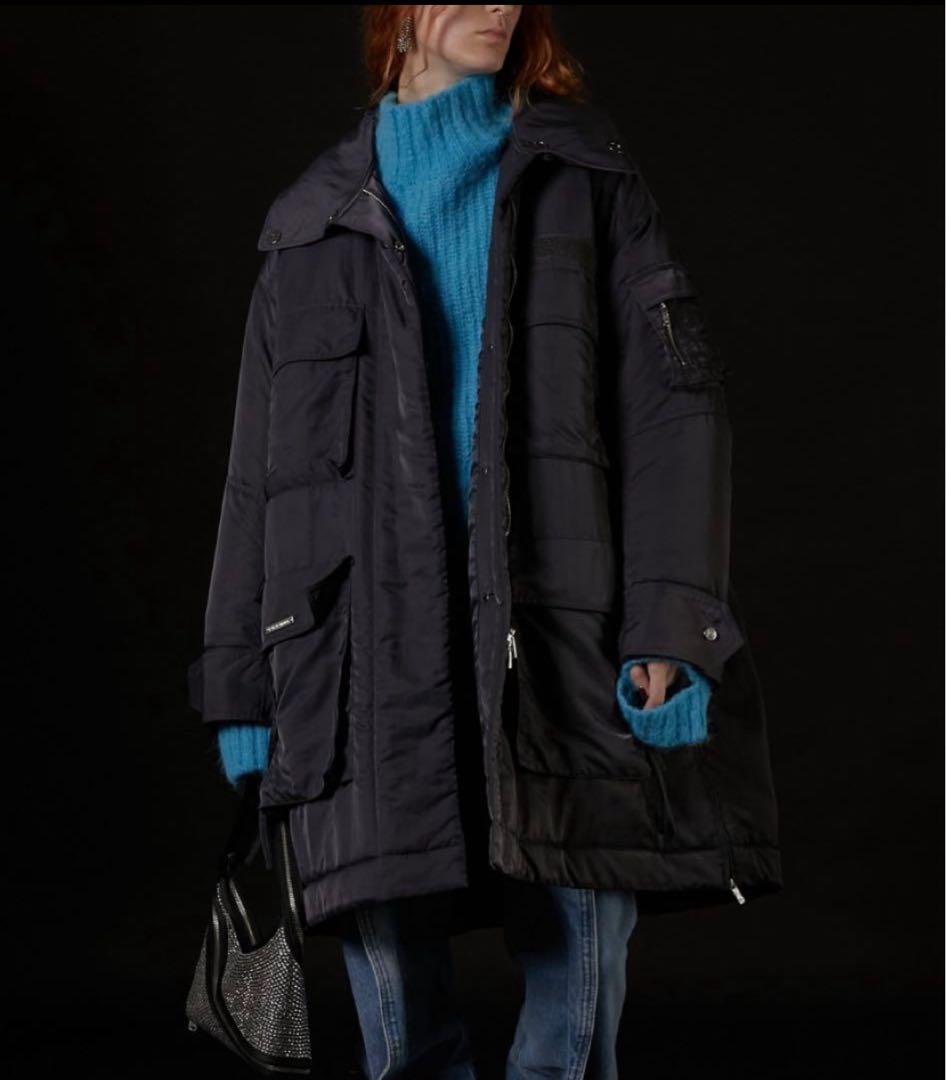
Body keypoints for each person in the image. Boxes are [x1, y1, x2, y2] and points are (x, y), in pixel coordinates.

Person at [188, 5, 782, 1077]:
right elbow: (256, 481)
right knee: (396, 990)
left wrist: (673, 625)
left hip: (560, 634)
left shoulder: (587, 179)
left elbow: (677, 414)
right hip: (357, 666)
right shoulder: (307, 226)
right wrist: (242, 687)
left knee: (576, 957)